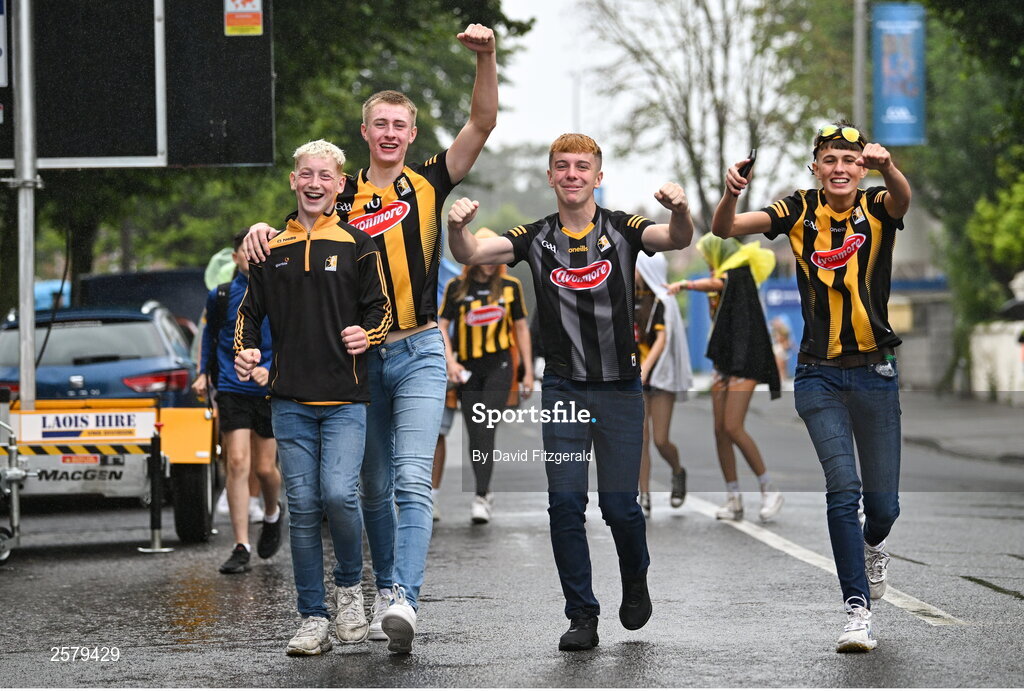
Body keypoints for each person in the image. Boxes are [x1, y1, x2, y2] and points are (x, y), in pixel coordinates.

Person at [243, 24, 498, 654]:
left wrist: (487, 58)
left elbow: (482, 123)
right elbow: (290, 234)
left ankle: (403, 598)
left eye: (399, 125)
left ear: (412, 135)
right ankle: (385, 586)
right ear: (366, 133)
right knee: (372, 487)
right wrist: (255, 228)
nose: (389, 134)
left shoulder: (432, 181)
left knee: (413, 479)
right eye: (379, 124)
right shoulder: (342, 192)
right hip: (354, 364)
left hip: (417, 349)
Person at [446, 133, 694, 651]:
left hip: (621, 389)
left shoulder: (623, 229)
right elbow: (469, 252)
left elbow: (675, 239)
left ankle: (635, 578)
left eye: (583, 166)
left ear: (597, 177)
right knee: (564, 505)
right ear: (551, 176)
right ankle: (582, 614)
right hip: (562, 388)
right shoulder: (535, 237)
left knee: (621, 507)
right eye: (563, 166)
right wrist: (456, 226)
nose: (573, 174)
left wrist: (681, 210)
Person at [710, 121, 911, 653]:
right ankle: (856, 610)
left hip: (875, 372)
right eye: (829, 159)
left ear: (861, 166)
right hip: (818, 373)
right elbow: (726, 229)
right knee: (843, 489)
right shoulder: (797, 209)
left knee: (883, 507)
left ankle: (873, 545)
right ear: (815, 167)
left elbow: (901, 198)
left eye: (850, 158)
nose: (840, 167)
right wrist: (730, 194)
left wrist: (889, 166)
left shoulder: (876, 206)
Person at [234, 139, 392, 656]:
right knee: (301, 506)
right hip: (289, 399)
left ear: (340, 184)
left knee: (339, 496)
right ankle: (311, 617)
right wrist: (246, 352)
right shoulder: (269, 248)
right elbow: (248, 313)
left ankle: (349, 591)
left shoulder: (359, 242)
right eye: (307, 174)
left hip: (346, 397)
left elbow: (381, 310)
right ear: (294, 181)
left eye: (326, 176)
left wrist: (366, 335)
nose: (316, 183)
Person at [667, 234, 783, 523]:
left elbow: (721, 284)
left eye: (707, 253)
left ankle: (769, 489)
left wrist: (685, 284)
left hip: (747, 359)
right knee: (719, 430)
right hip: (725, 361)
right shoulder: (718, 273)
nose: (705, 258)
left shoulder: (738, 274)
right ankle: (734, 499)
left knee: (733, 426)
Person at [192, 230, 283, 575]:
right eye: (247, 250)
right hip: (231, 386)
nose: (253, 255)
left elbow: (294, 336)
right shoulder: (221, 295)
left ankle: (273, 513)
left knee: (264, 468)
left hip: (269, 389)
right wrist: (203, 373)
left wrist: (271, 370)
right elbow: (209, 337)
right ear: (236, 258)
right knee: (237, 462)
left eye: (260, 249)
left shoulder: (280, 290)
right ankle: (241, 545)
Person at [438, 227, 533, 524]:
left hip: (499, 366)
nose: (489, 260)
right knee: (474, 431)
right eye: (484, 251)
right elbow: (442, 326)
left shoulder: (510, 287)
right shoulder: (456, 287)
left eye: (494, 252)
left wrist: (528, 371)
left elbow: (520, 329)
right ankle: (484, 491)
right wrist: (450, 360)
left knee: (484, 426)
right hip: (467, 369)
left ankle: (481, 494)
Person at [634, 252, 691, 515]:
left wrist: (645, 369)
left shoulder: (661, 301)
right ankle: (643, 494)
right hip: (635, 379)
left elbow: (662, 339)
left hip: (659, 378)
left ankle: (678, 471)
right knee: (640, 438)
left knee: (660, 439)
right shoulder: (628, 298)